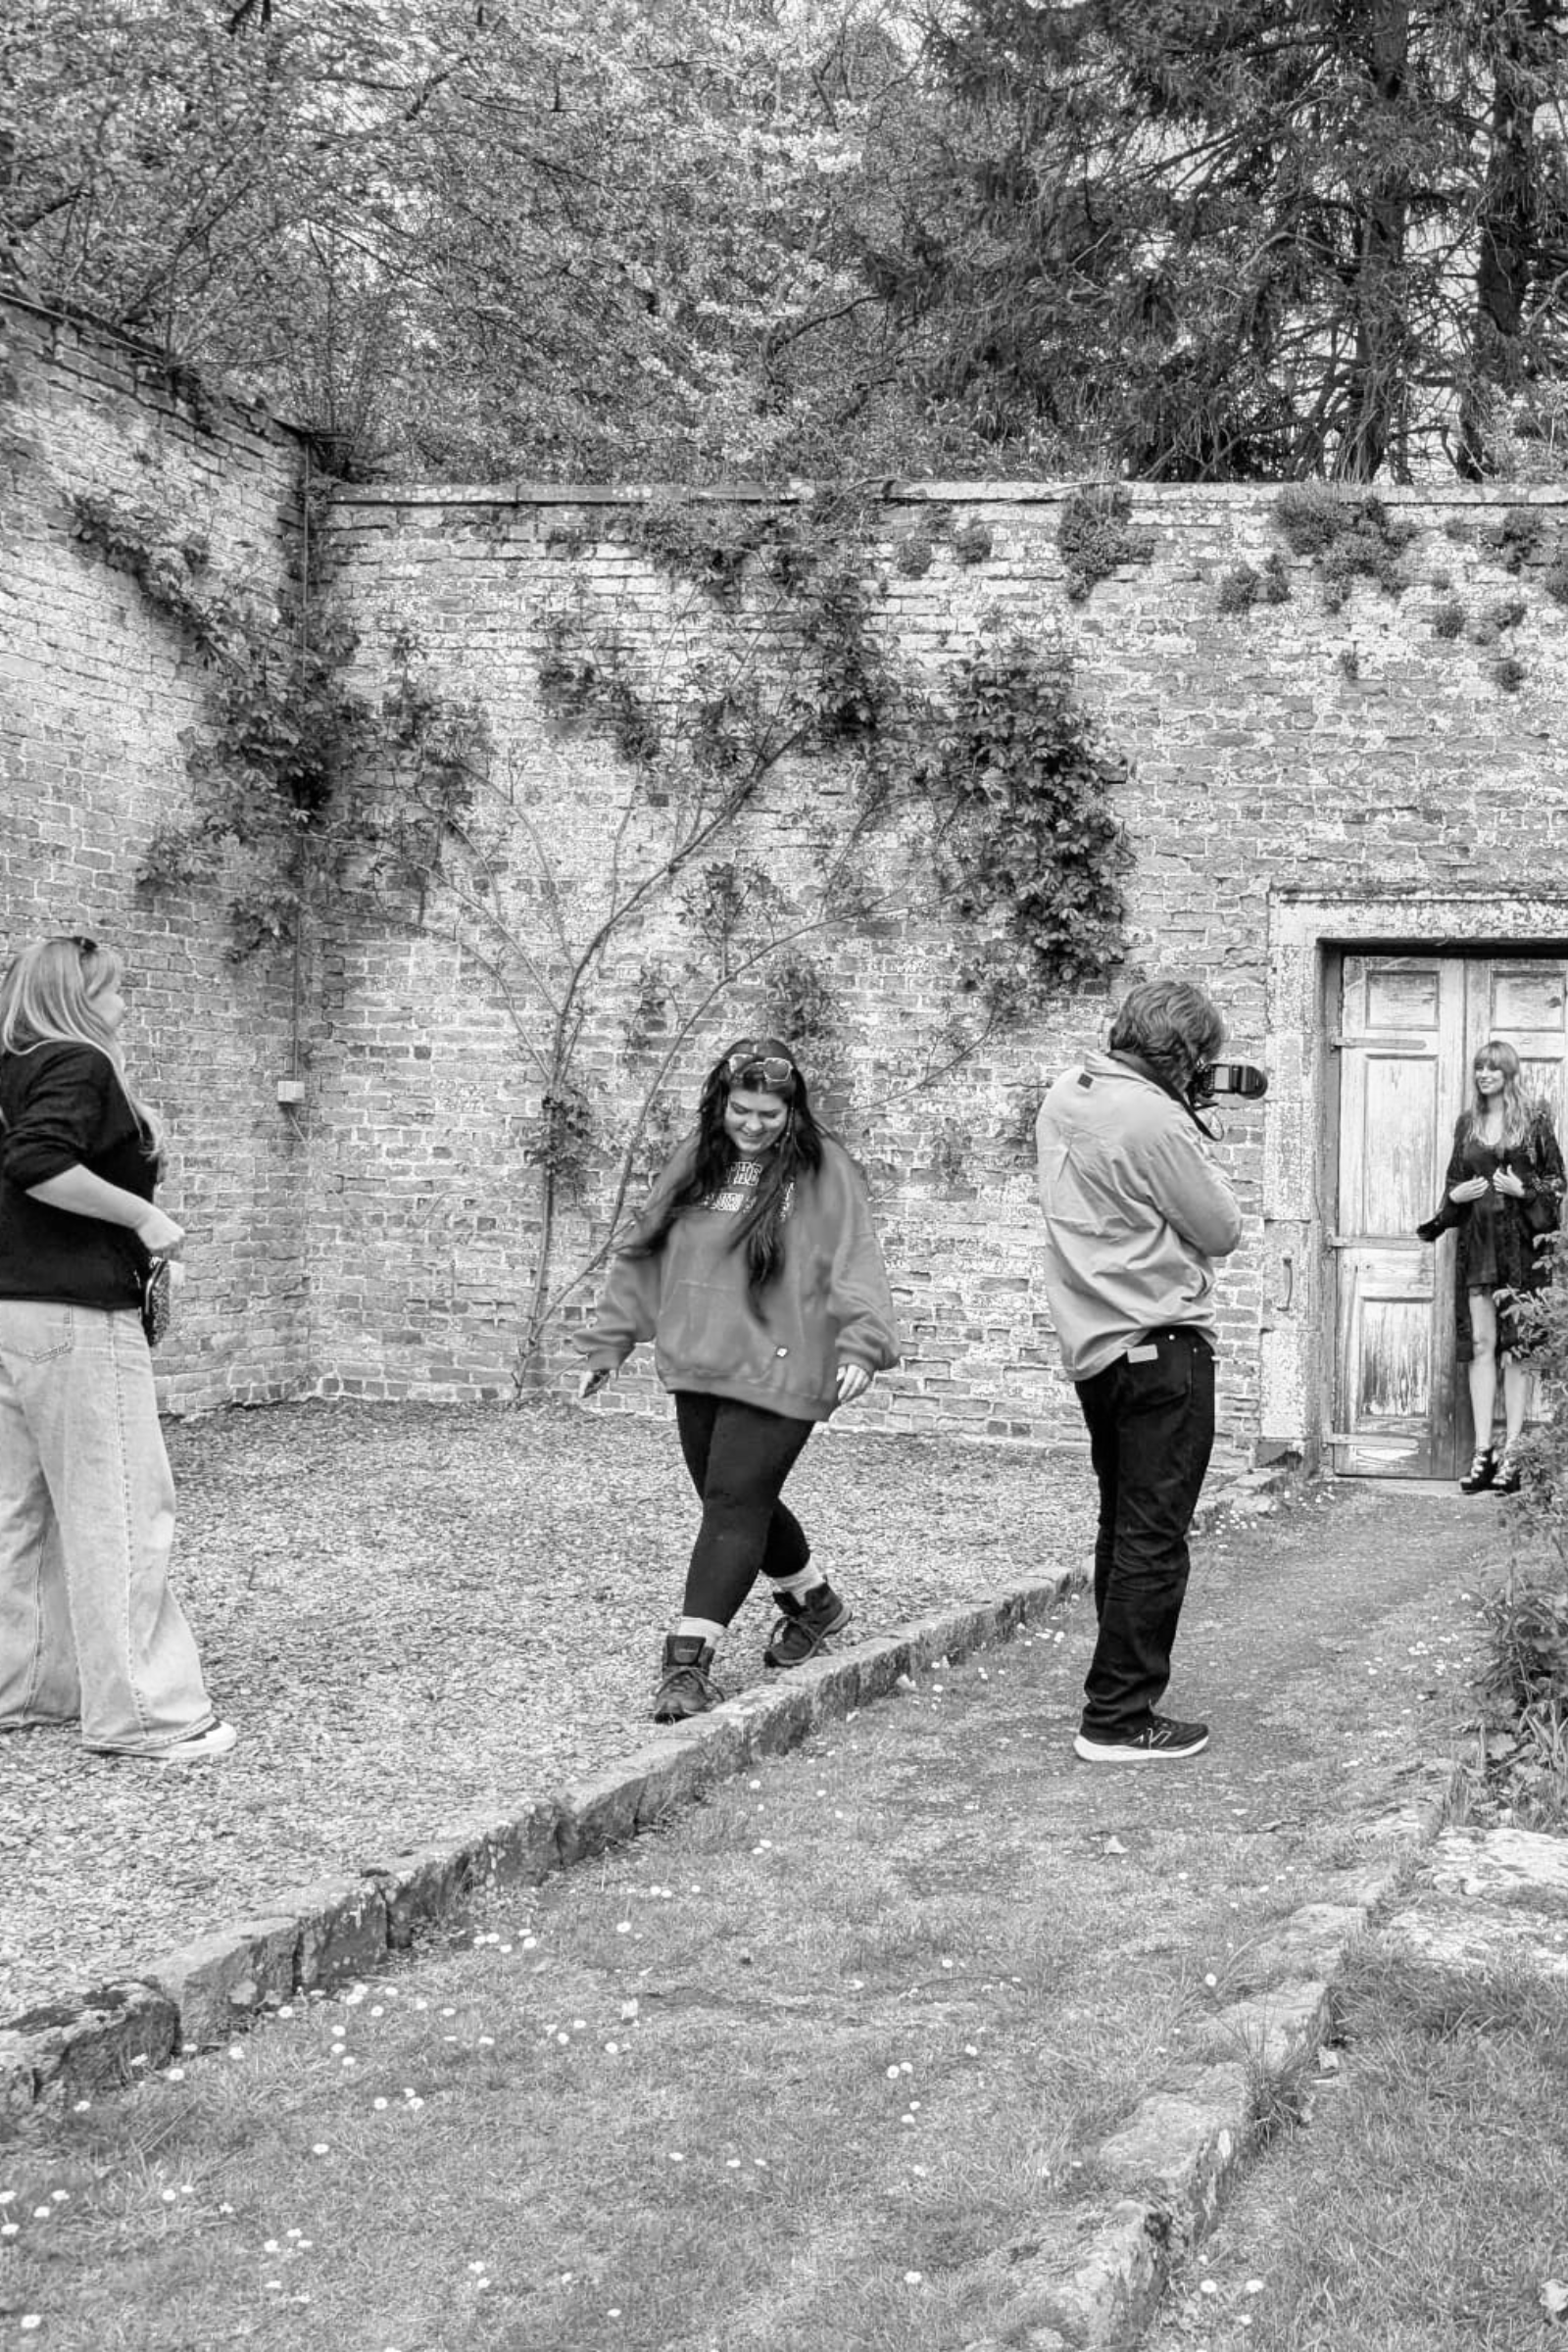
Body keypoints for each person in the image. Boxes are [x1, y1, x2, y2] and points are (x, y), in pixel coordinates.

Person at [576, 1037, 900, 1723]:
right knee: (737, 1499)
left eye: (769, 1115)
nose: (753, 1125)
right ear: (720, 1102)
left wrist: (862, 1346)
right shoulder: (697, 1162)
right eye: (741, 1110)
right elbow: (644, 1253)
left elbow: (856, 1259)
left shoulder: (823, 1171)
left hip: (789, 1362)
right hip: (700, 1361)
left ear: (794, 1112)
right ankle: (816, 1604)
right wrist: (611, 1343)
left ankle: (688, 1665)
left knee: (732, 1501)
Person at [0, 935, 236, 1763]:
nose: (124, 1005)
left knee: (19, 1511)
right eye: (113, 991)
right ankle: (145, 1714)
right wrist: (143, 1217)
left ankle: (26, 1687)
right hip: (74, 1319)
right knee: (122, 1512)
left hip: (9, 1314)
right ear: (75, 998)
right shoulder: (77, 1063)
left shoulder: (11, 1070)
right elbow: (35, 1162)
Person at [1035, 979, 1243, 1764]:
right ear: (1187, 1056)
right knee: (1156, 1536)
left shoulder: (1066, 1093)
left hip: (1095, 1345)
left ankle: (1115, 1691)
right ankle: (1118, 1717)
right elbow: (1218, 1229)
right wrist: (1193, 1127)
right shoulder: (1156, 1117)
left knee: (1122, 1527)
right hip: (1161, 1343)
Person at [1418, 1039, 1564, 1495]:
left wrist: (1523, 1191)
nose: (1484, 1074)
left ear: (1508, 1073)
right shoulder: (1469, 1123)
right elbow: (1454, 1184)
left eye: (1492, 1068)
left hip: (1521, 1251)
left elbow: (1557, 1180)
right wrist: (1451, 1205)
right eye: (1479, 1067)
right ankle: (1484, 1452)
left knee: (1517, 1349)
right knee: (1482, 1345)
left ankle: (1514, 1452)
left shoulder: (1533, 1120)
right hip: (1478, 1247)